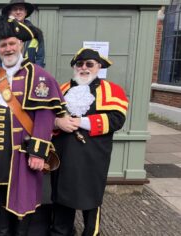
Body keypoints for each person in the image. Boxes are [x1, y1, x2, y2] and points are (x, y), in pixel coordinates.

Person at [0, 16, 65, 235]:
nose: (7, 49)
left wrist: (37, 152)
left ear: (21, 45)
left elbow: (45, 116)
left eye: (11, 44)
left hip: (21, 152)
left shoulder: (38, 75)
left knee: (23, 200)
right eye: (3, 45)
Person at [50, 48, 129, 236]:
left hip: (92, 154)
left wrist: (82, 122)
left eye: (89, 64)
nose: (84, 68)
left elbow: (117, 120)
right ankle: (61, 232)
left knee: (91, 197)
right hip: (64, 153)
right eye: (79, 64)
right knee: (61, 197)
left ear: (99, 67)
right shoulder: (61, 89)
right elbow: (48, 116)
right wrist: (57, 121)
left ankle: (91, 233)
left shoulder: (112, 90)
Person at [0, 0, 46, 68]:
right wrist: (3, 74)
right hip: (6, 74)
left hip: (29, 75)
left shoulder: (36, 33)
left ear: (26, 12)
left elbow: (40, 59)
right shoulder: (0, 32)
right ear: (9, 12)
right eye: (15, 9)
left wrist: (35, 75)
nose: (18, 12)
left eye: (21, 9)